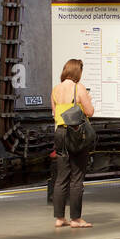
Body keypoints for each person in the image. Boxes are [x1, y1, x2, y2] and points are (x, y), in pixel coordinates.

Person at [52, 59, 96, 228]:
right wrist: (87, 103)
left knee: (61, 178)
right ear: (78, 72)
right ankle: (76, 219)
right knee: (76, 178)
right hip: (76, 134)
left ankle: (59, 218)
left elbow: (55, 113)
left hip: (60, 133)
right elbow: (90, 111)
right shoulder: (79, 88)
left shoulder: (55, 89)